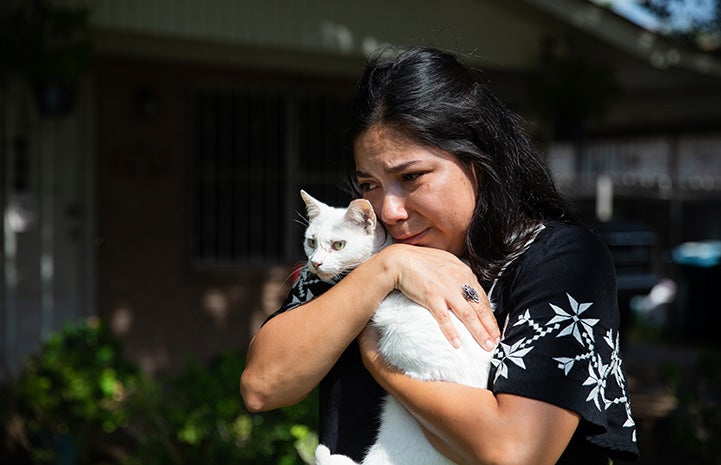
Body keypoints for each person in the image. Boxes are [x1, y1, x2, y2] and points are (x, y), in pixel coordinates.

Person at [241, 46, 639, 465]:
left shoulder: (559, 260)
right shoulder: (358, 252)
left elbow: (517, 450)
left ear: (478, 159)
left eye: (411, 177)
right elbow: (262, 385)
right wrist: (387, 269)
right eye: (369, 184)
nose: (390, 210)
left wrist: (380, 363)